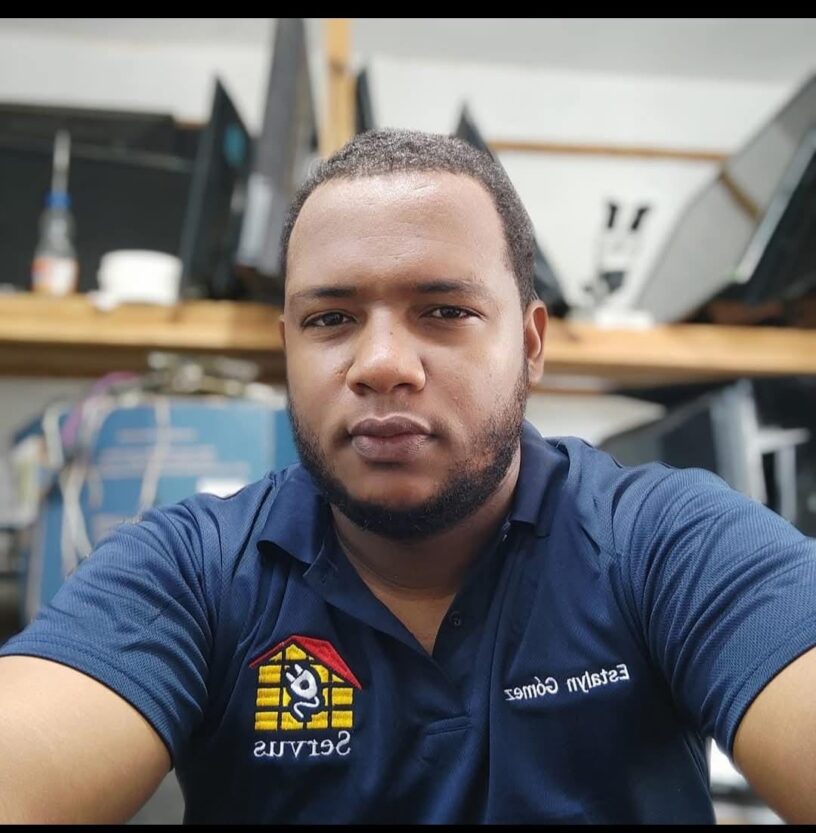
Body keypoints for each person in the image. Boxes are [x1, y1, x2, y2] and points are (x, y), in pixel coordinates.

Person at [1, 129, 815, 825]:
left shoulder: (667, 542)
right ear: (287, 348)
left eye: (444, 311)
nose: (382, 363)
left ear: (531, 343)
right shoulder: (193, 570)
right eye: (330, 319)